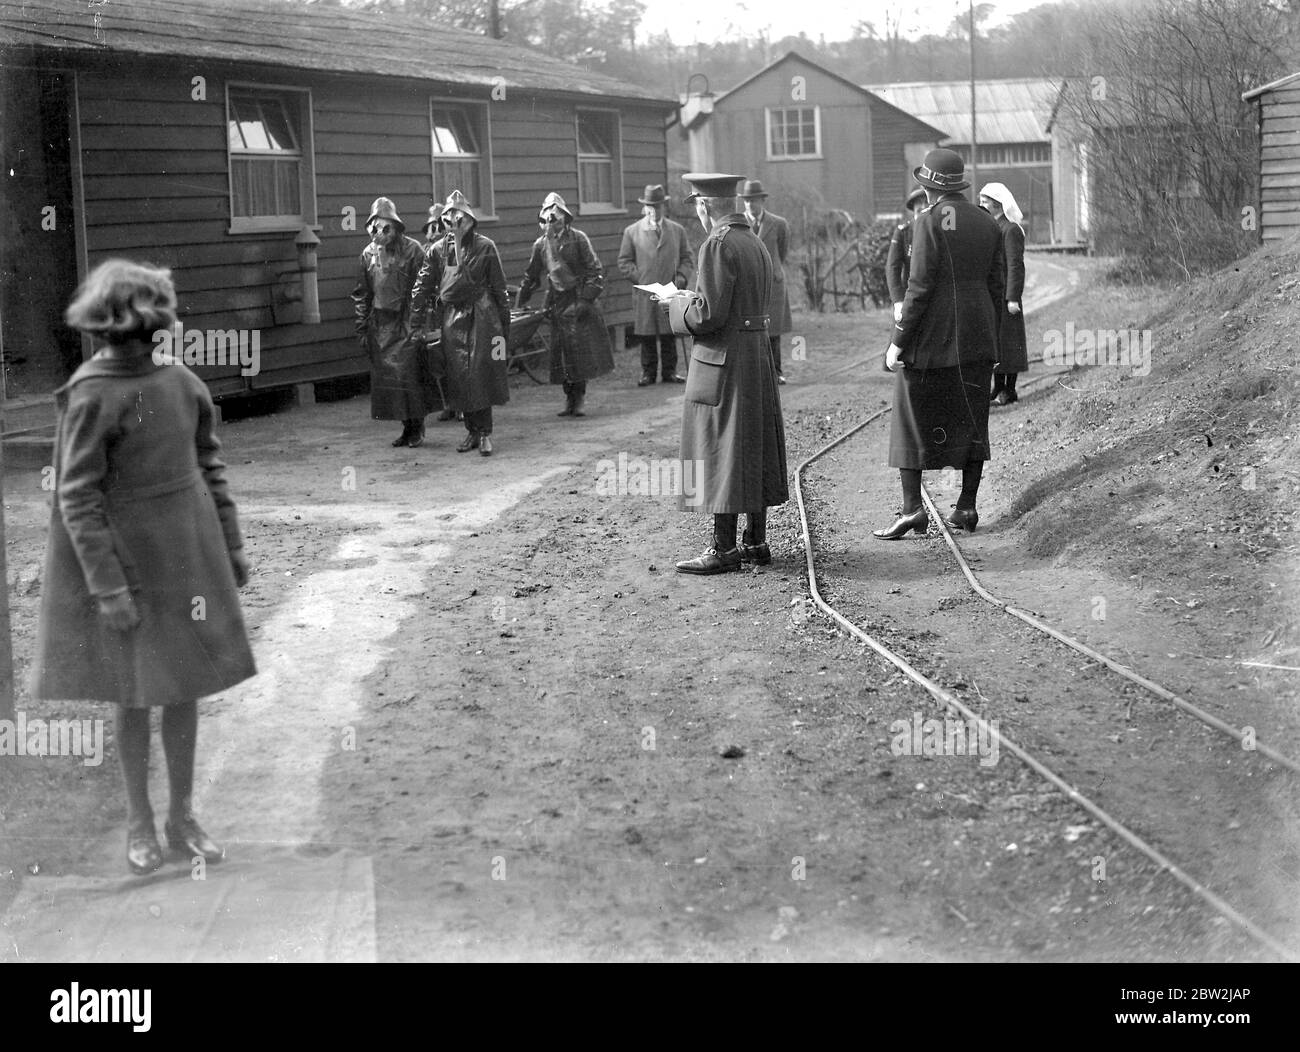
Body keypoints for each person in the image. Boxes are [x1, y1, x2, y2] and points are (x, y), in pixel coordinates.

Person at [30, 259, 256, 875]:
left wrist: (231, 545)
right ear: (107, 329)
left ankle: (181, 815)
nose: (141, 340)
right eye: (129, 330)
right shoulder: (90, 394)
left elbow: (209, 464)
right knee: (132, 696)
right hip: (125, 566)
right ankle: (139, 820)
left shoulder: (184, 384)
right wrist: (107, 587)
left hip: (187, 556)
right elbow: (76, 497)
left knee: (183, 689)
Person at [664, 173, 789, 574]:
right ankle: (755, 542)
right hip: (755, 355)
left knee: (721, 448)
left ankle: (723, 549)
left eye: (697, 208)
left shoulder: (716, 245)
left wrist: (677, 306)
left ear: (704, 206)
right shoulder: (754, 240)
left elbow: (709, 314)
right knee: (750, 444)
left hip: (724, 358)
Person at [880, 148, 1004, 537]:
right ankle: (966, 507)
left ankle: (912, 509)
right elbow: (997, 289)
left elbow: (918, 288)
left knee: (909, 414)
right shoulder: (987, 223)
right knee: (972, 421)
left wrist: (898, 341)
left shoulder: (928, 222)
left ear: (929, 189)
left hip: (932, 339)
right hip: (977, 338)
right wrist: (990, 338)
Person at [410, 190, 510, 456]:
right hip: (452, 319)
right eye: (449, 217)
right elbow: (422, 287)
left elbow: (499, 288)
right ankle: (471, 431)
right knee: (459, 377)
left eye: (460, 217)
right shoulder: (436, 251)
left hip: (482, 316)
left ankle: (485, 433)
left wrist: (504, 327)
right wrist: (416, 322)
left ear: (469, 219)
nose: (454, 222)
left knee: (480, 374)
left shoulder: (485, 246)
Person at [517, 192, 614, 417]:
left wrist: (585, 300)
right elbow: (532, 276)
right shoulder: (541, 245)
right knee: (562, 355)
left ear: (564, 218)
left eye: (556, 217)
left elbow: (595, 271)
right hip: (557, 302)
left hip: (578, 298)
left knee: (579, 353)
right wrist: (521, 299)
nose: (551, 222)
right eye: (547, 218)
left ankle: (578, 398)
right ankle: (568, 398)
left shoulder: (579, 239)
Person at [351, 197, 434, 448]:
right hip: (381, 324)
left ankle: (417, 427)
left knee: (410, 376)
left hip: (406, 319)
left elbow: (426, 287)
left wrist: (420, 322)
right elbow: (362, 292)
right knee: (392, 381)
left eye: (386, 228)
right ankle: (406, 428)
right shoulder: (367, 255)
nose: (380, 233)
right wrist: (362, 326)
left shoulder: (413, 250)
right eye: (375, 228)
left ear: (396, 227)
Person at [617, 184, 694, 386]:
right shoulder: (632, 232)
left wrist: (681, 279)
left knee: (669, 332)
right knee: (647, 333)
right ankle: (648, 373)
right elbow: (624, 262)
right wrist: (639, 278)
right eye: (650, 206)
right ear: (644, 207)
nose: (654, 210)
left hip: (669, 291)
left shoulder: (677, 231)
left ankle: (670, 372)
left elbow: (688, 259)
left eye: (658, 206)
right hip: (645, 292)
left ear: (664, 207)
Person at [979, 182, 1029, 404]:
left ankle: (1009, 389)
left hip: (1005, 297)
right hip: (993, 295)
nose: (981, 205)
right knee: (997, 343)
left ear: (997, 204)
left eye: (985, 201)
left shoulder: (1010, 230)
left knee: (1009, 343)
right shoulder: (992, 228)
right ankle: (997, 387)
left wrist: (1012, 297)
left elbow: (1015, 265)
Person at [738, 179, 792, 384]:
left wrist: (773, 269)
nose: (751, 204)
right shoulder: (738, 224)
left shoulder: (778, 224)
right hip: (749, 284)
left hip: (773, 284)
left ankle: (776, 371)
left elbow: (783, 250)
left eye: (754, 200)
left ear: (762, 201)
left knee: (773, 330)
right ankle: (753, 374)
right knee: (751, 328)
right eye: (747, 201)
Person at [420, 203, 458, 423]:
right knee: (438, 359)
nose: (435, 232)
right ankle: (448, 404)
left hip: (452, 309)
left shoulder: (454, 249)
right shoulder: (427, 251)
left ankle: (462, 404)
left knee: (455, 357)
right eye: (431, 227)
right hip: (434, 311)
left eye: (439, 226)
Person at [886, 186, 928, 322]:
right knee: (898, 339)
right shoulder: (903, 233)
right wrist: (898, 302)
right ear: (913, 206)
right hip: (909, 298)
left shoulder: (939, 232)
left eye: (926, 202)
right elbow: (892, 268)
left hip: (933, 299)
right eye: (918, 202)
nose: (922, 206)